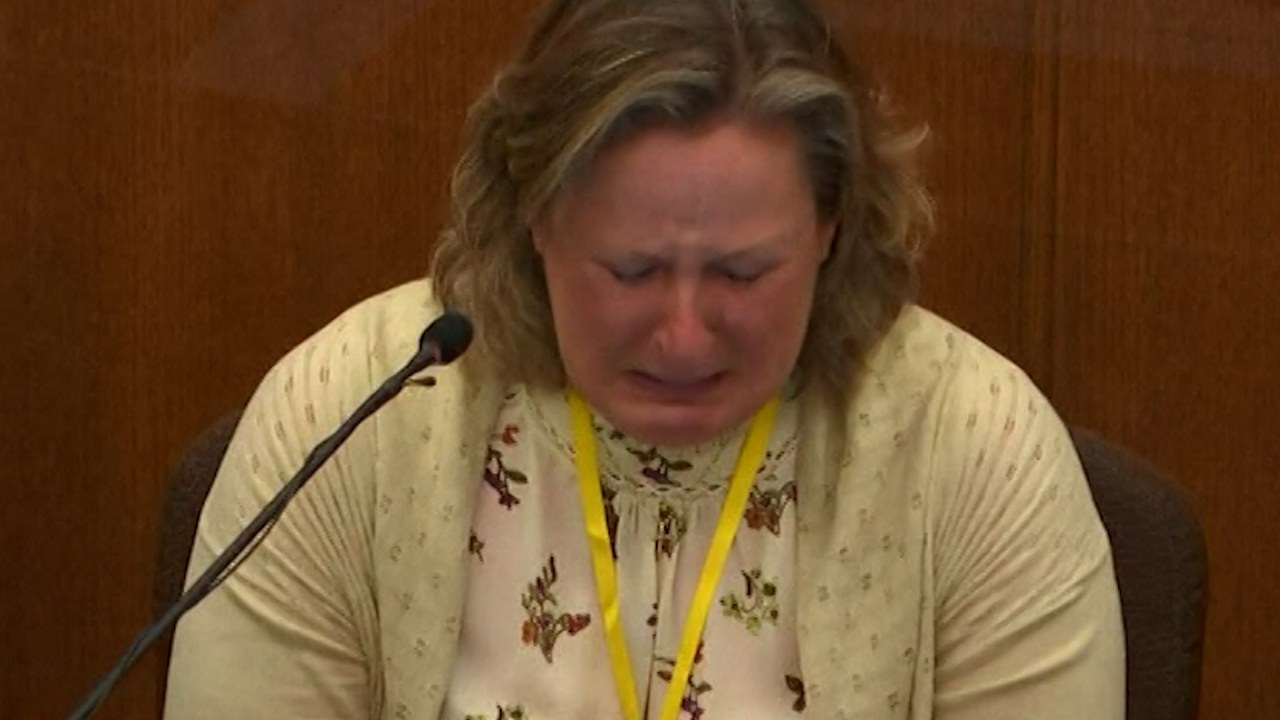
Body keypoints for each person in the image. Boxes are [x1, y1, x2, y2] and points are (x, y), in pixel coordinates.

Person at [164, 0, 1125, 717]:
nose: (685, 336)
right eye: (631, 271)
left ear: (831, 224)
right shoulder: (352, 415)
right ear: (534, 216)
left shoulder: (976, 449)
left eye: (743, 273)